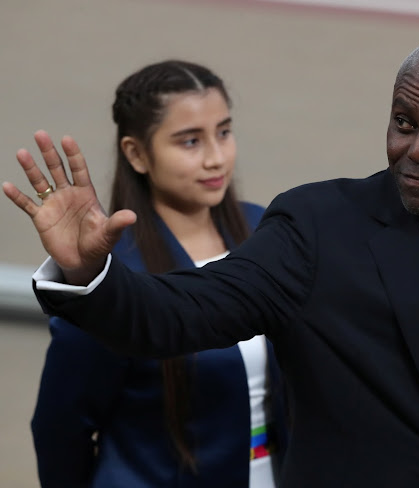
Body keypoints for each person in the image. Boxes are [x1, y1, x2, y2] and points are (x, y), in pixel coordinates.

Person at [4, 33, 419, 487]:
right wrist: (89, 274)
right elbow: (180, 314)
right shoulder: (317, 225)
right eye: (403, 122)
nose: (416, 149)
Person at [27, 60, 288, 488]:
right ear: (137, 153)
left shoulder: (268, 231)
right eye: (190, 141)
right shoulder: (109, 273)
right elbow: (61, 427)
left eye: (223, 132)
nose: (216, 157)